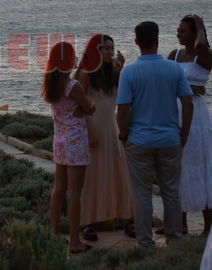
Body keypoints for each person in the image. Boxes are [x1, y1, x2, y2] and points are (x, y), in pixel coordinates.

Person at [116, 21, 194, 247]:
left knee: (142, 195)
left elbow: (123, 110)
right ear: (158, 40)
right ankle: (174, 241)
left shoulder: (129, 72)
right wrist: (184, 134)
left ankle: (145, 244)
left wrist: (123, 136)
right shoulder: (174, 68)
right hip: (170, 139)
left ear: (136, 42)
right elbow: (188, 103)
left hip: (139, 141)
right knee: (172, 193)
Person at [74, 34, 134, 241]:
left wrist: (120, 70)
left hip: (111, 129)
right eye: (106, 48)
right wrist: (88, 132)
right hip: (92, 129)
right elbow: (76, 106)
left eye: (112, 48)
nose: (110, 52)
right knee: (92, 176)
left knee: (119, 171)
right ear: (95, 51)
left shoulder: (113, 73)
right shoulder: (85, 74)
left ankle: (128, 217)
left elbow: (124, 99)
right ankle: (87, 222)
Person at [42, 41, 96, 254]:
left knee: (58, 190)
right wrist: (89, 106)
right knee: (75, 192)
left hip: (60, 140)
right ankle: (75, 241)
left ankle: (55, 235)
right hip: (75, 142)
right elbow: (89, 108)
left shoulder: (52, 83)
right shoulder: (74, 86)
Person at [166, 14, 212, 236]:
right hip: (176, 114)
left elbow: (201, 45)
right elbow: (164, 82)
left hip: (197, 118)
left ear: (195, 33)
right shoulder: (173, 55)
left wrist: (201, 25)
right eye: (177, 30)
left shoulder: (204, 55)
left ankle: (208, 226)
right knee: (179, 166)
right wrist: (185, 88)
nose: (178, 34)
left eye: (183, 31)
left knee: (200, 165)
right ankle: (181, 223)